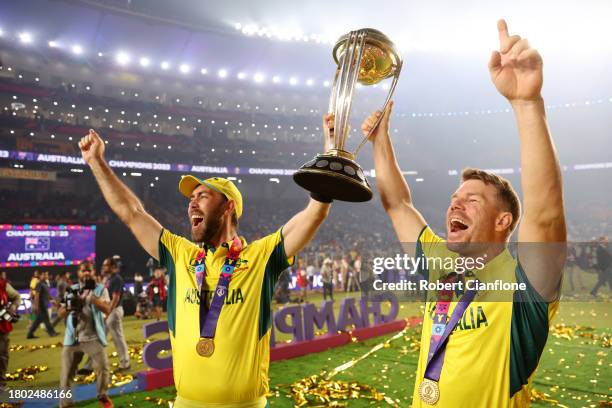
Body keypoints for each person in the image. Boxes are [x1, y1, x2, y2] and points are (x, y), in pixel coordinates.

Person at [364, 20, 566, 407]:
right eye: (455, 198)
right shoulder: (440, 262)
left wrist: (526, 104)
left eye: (472, 200)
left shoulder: (523, 285)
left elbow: (546, 216)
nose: (455, 204)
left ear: (503, 221)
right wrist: (380, 141)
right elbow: (398, 204)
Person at [77, 110, 333, 407]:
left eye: (202, 196)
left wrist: (330, 149)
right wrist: (96, 162)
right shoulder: (180, 254)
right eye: (191, 197)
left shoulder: (261, 257)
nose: (191, 202)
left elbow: (316, 211)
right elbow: (132, 213)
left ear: (228, 207)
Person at [58, 261, 113, 408]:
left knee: (103, 368)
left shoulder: (101, 289)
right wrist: (71, 306)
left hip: (93, 338)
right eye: (83, 270)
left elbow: (108, 309)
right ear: (79, 273)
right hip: (73, 338)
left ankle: (102, 395)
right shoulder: (72, 289)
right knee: (67, 374)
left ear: (94, 272)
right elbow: (61, 312)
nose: (86, 273)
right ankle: (66, 404)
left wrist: (94, 300)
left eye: (89, 270)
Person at [101, 257, 130, 372]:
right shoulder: (109, 278)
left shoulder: (116, 279)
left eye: (106, 265)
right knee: (101, 336)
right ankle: (95, 364)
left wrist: (108, 311)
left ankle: (125, 363)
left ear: (113, 266)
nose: (104, 267)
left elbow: (116, 297)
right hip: (109, 311)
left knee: (118, 338)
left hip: (114, 310)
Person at [0, 276, 21, 392]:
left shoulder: (3, 285)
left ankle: (1, 385)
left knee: (2, 356)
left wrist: (12, 308)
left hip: (1, 328)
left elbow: (17, 297)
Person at [27, 271, 59, 339]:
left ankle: (29, 334)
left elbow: (47, 294)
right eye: (43, 275)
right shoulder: (39, 284)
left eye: (45, 274)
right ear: (40, 275)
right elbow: (37, 295)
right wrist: (36, 305)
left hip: (45, 304)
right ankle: (52, 333)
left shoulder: (45, 284)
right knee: (46, 319)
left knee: (37, 321)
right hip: (41, 305)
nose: (45, 276)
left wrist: (53, 300)